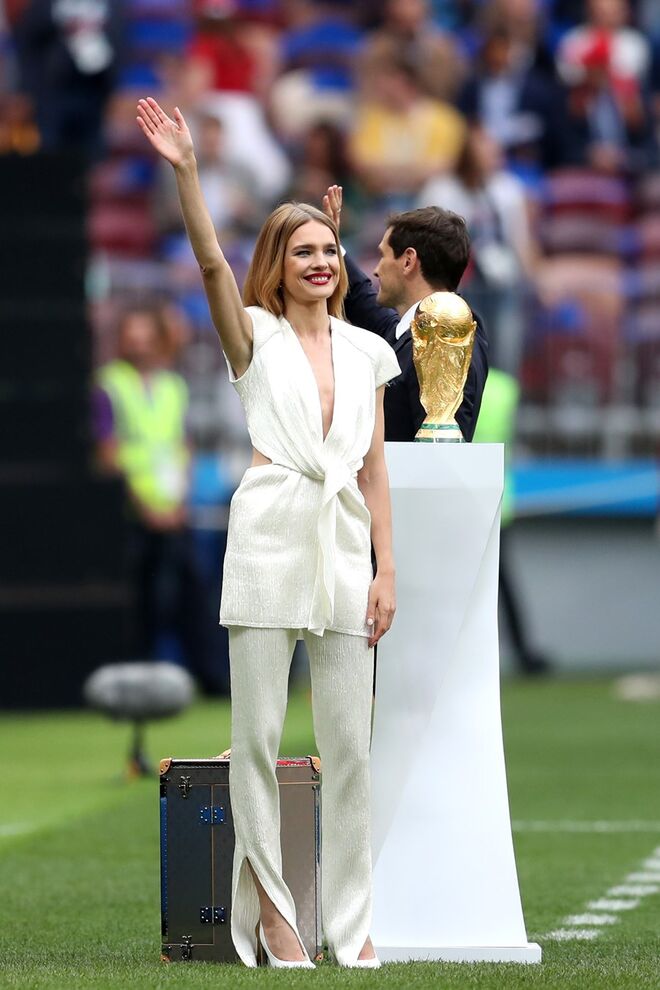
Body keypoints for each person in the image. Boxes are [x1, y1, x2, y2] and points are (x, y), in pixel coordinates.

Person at [136, 96, 400, 969]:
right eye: (304, 253)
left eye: (329, 250)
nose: (321, 264)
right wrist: (186, 174)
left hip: (342, 546)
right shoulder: (253, 336)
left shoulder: (368, 351)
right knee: (256, 740)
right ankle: (278, 921)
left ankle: (351, 924)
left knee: (351, 747)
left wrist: (385, 569)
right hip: (266, 536)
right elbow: (211, 264)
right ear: (277, 268)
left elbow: (373, 469)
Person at [93, 304, 223, 694]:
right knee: (141, 602)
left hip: (173, 509)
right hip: (131, 513)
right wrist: (144, 504)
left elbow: (181, 447)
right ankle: (137, 681)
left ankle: (208, 677)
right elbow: (109, 450)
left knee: (190, 595)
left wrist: (180, 500)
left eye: (146, 336)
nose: (140, 345)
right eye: (133, 337)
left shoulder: (172, 386)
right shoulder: (110, 384)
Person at [323, 184, 488, 441]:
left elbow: (438, 453)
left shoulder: (446, 338)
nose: (376, 270)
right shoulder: (414, 331)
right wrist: (331, 248)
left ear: (408, 261)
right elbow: (361, 299)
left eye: (383, 256)